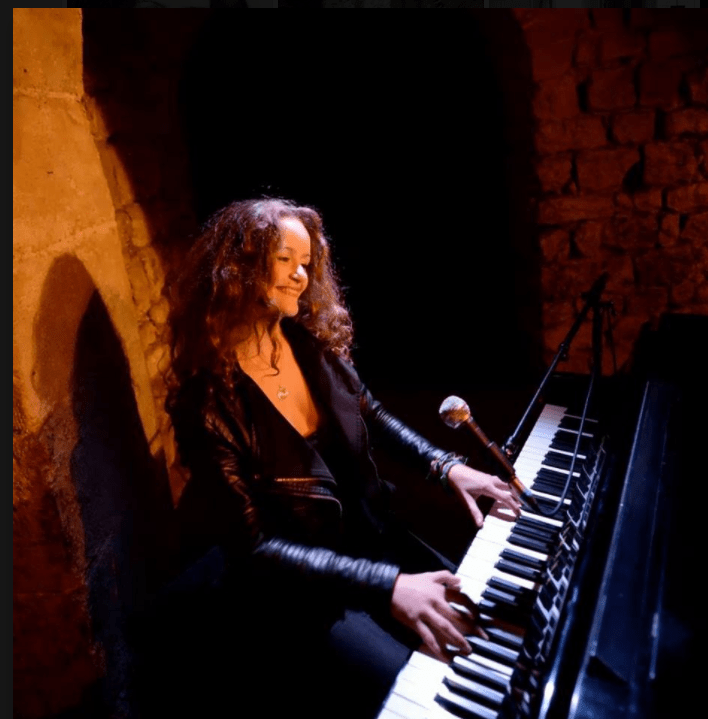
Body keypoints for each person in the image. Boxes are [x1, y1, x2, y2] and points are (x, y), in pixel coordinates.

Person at [161, 197, 521, 719]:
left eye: (306, 262)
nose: (301, 275)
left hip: (372, 542)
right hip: (302, 595)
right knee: (422, 694)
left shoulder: (304, 342)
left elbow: (370, 413)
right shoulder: (208, 404)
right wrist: (387, 585)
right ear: (239, 266)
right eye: (285, 259)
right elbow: (254, 548)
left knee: (491, 624)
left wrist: (446, 467)